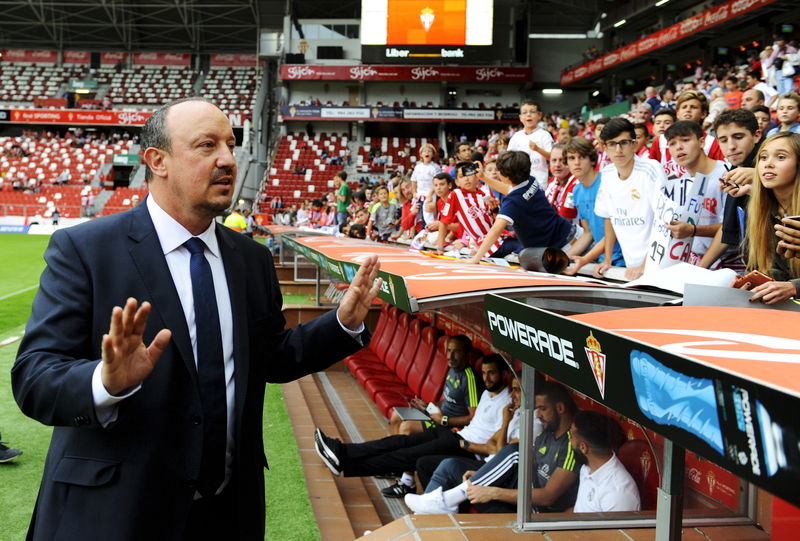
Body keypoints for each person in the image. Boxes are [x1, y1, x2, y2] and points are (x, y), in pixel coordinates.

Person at [12, 97, 380, 541]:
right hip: (116, 514)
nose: (228, 159)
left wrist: (341, 323)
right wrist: (105, 382)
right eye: (207, 145)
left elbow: (269, 358)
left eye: (230, 143)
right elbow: (34, 377)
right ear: (157, 161)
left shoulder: (251, 260)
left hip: (227, 513)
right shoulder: (86, 251)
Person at [314, 355, 511, 484]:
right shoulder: (487, 393)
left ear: (505, 374)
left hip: (465, 448)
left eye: (491, 373)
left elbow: (495, 445)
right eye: (484, 373)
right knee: (398, 441)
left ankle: (346, 465)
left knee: (405, 455)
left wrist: (463, 441)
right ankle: (342, 451)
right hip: (453, 435)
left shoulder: (508, 404)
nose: (486, 378)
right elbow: (474, 421)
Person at [404, 381, 579, 515]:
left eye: (542, 409)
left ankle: (446, 500)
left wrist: (493, 492)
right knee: (451, 465)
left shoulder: (571, 444)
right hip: (523, 487)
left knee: (517, 451)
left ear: (560, 408)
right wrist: (484, 475)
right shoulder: (546, 434)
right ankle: (425, 515)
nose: (538, 414)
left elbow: (549, 496)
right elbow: (501, 452)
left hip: (535, 511)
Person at [382, 335, 483, 497]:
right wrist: (428, 406)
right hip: (438, 416)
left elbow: (473, 417)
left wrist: (444, 420)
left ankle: (407, 483)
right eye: (449, 351)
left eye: (456, 352)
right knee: (396, 417)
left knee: (407, 428)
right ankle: (398, 467)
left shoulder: (470, 378)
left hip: (450, 426)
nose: (450, 356)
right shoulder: (452, 370)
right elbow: (448, 401)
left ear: (466, 354)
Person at [466, 151, 573, 265]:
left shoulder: (513, 201)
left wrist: (476, 258)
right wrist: (483, 177)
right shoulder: (530, 180)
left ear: (505, 176)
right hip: (567, 234)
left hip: (563, 246)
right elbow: (509, 188)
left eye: (498, 171)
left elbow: (495, 231)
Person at [594, 118, 667, 280]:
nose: (618, 150)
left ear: (634, 144)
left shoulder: (650, 169)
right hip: (631, 265)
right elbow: (609, 218)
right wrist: (608, 259)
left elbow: (665, 222)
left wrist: (645, 264)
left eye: (624, 143)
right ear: (604, 147)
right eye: (612, 144)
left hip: (659, 263)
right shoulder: (606, 173)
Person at [736, 132, 800, 304]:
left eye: (780, 157)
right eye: (763, 158)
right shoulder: (759, 210)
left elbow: (790, 286)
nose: (768, 164)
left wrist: (794, 287)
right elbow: (767, 269)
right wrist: (752, 282)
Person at [700, 109, 761, 270]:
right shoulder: (734, 168)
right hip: (759, 267)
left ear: (757, 135)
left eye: (738, 137)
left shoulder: (769, 164)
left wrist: (760, 176)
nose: (731, 146)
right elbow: (728, 230)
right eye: (723, 140)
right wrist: (699, 269)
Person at [662, 121, 725, 265]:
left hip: (729, 263)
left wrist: (692, 230)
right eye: (672, 143)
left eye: (685, 140)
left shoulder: (726, 175)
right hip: (694, 260)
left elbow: (731, 228)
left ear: (702, 142)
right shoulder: (680, 183)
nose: (678, 147)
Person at [563, 137, 625, 276]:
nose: (577, 162)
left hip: (623, 262)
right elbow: (588, 233)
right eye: (571, 158)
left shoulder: (608, 182)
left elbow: (615, 230)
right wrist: (563, 257)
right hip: (601, 262)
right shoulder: (577, 191)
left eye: (582, 157)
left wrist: (585, 259)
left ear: (592, 160)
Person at [569, 411, 640, 513]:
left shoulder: (618, 492)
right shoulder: (586, 468)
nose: (569, 440)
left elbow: (618, 529)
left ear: (583, 447)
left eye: (571, 436)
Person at [507, 100, 553, 189]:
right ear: (520, 117)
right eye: (524, 112)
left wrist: (537, 149)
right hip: (519, 182)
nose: (528, 115)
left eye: (532, 112)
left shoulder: (545, 135)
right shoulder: (516, 136)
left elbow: (551, 157)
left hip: (539, 182)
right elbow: (509, 159)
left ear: (539, 115)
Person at [544, 145, 579, 225]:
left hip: (572, 233)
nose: (557, 164)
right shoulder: (553, 181)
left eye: (561, 160)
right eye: (554, 160)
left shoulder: (576, 184)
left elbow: (565, 220)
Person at [411, 143, 441, 224]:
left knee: (429, 216)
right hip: (419, 195)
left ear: (433, 154)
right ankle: (422, 232)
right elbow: (413, 180)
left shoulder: (435, 167)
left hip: (430, 195)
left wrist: (430, 194)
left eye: (429, 151)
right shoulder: (417, 167)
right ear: (421, 154)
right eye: (424, 151)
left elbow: (437, 182)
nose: (427, 153)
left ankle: (430, 232)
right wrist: (414, 192)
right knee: (418, 216)